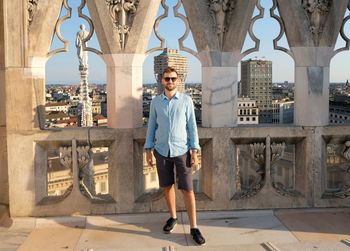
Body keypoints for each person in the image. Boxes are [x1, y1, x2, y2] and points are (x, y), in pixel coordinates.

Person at [144, 67, 205, 246]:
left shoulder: (186, 100)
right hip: (161, 150)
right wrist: (148, 150)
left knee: (187, 189)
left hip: (182, 151)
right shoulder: (156, 102)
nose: (170, 82)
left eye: (173, 79)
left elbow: (192, 126)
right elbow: (151, 127)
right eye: (167, 79)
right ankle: (173, 217)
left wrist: (194, 150)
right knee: (167, 186)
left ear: (177, 80)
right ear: (162, 81)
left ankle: (194, 227)